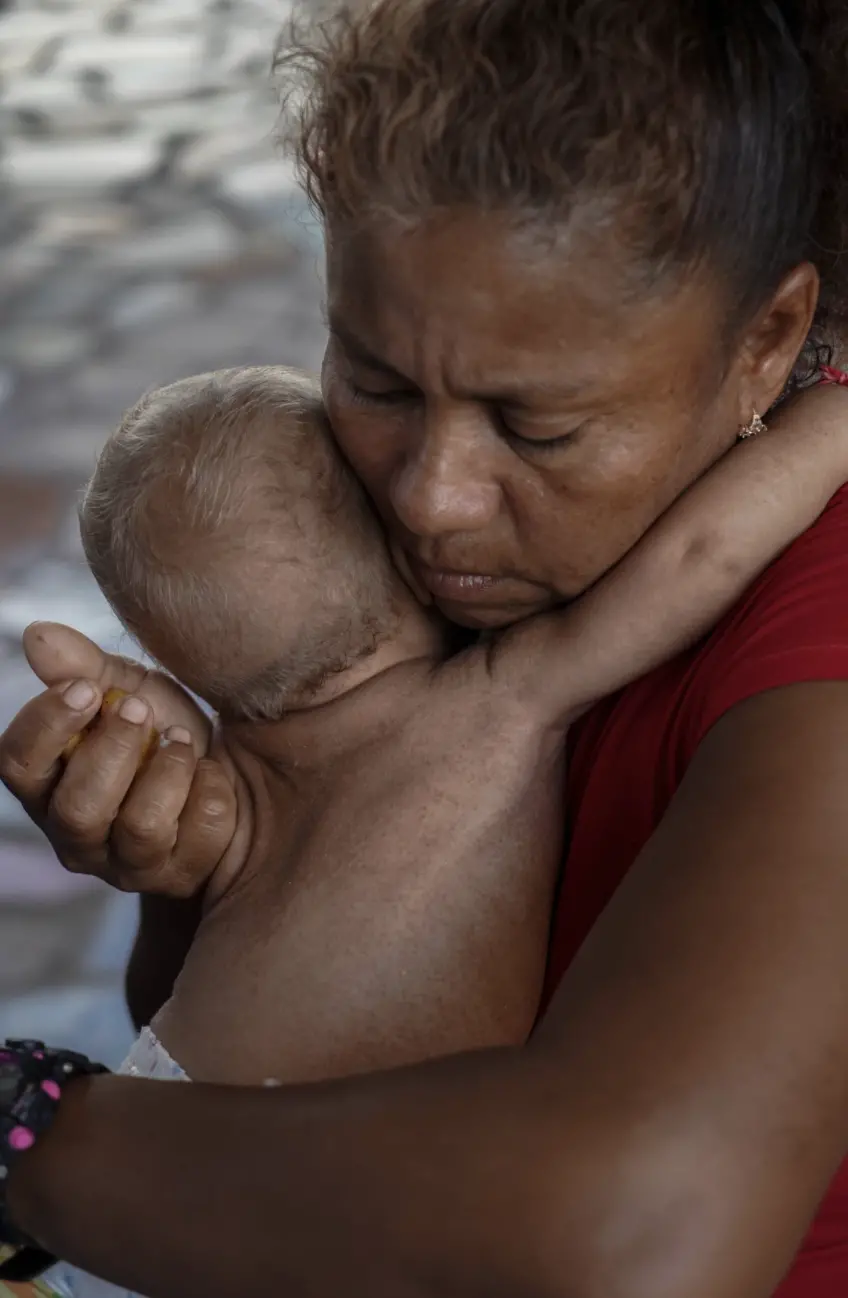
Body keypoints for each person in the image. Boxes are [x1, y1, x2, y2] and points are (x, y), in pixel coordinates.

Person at [1, 0, 848, 1295]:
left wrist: (26, 1125)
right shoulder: (462, 554)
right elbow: (282, 1094)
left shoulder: (812, 609)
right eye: (375, 377)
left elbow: (638, 1237)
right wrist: (198, 858)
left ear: (771, 343)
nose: (431, 494)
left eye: (537, 425)